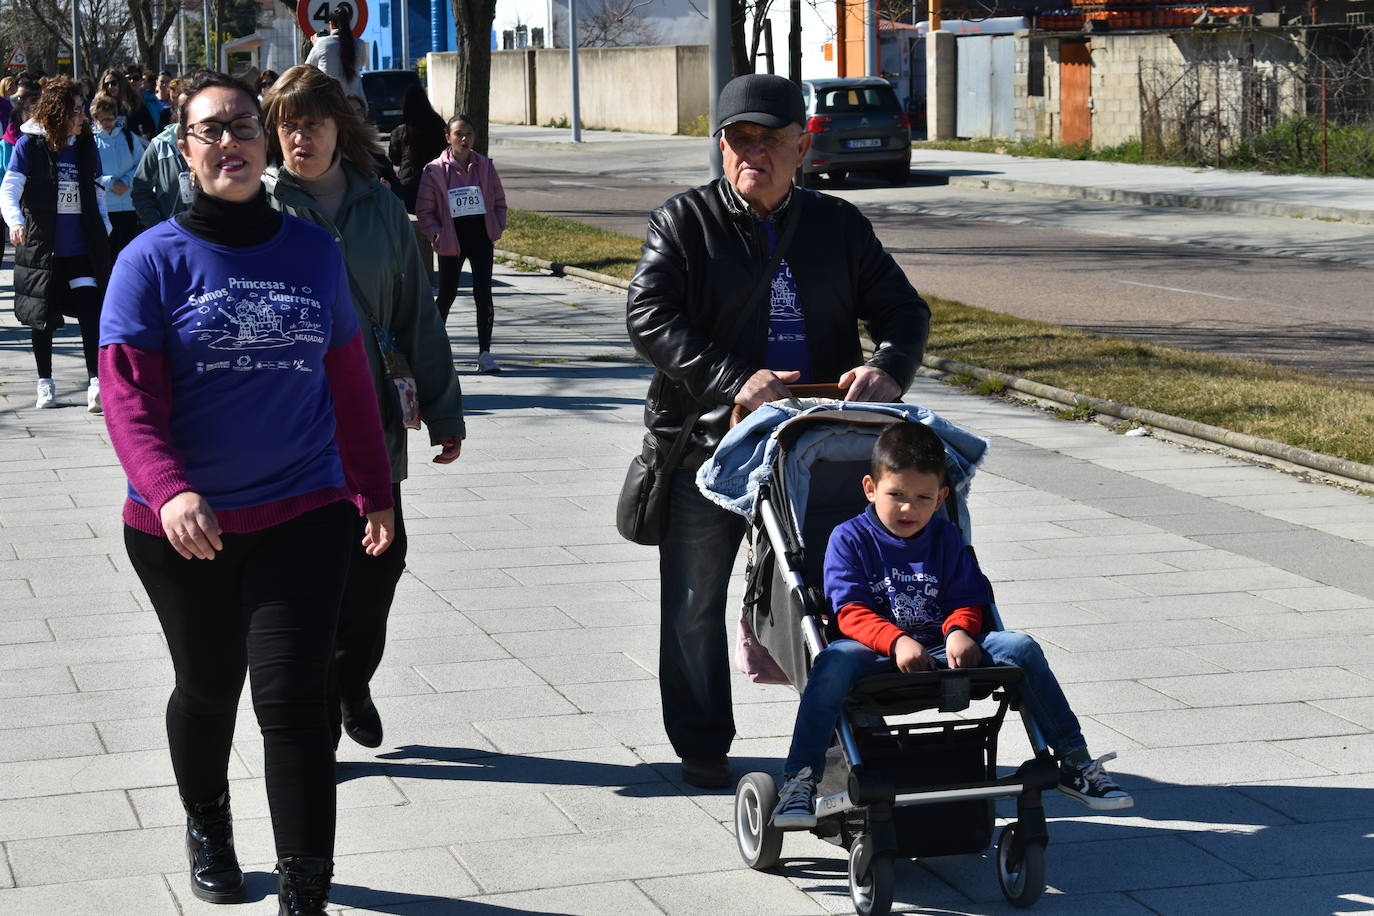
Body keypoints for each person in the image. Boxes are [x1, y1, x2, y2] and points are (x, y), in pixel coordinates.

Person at [98, 71, 394, 915]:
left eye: (242, 128)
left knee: (295, 702)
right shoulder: (150, 260)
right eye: (208, 131)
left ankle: (306, 890)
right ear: (184, 149)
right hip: (184, 527)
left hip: (305, 510)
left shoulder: (312, 252)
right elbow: (127, 398)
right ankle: (208, 822)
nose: (228, 143)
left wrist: (374, 492)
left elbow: (348, 383)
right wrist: (167, 490)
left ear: (265, 144)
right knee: (208, 686)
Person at [625, 73, 931, 789]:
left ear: (802, 146)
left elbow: (904, 312)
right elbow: (649, 316)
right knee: (694, 601)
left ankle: (842, 736)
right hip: (711, 448)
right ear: (721, 145)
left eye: (769, 140)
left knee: (831, 596)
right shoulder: (684, 222)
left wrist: (888, 368)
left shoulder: (838, 226)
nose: (752, 153)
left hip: (814, 448)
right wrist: (736, 380)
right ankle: (702, 743)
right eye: (739, 139)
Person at [769, 422, 1134, 828]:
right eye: (897, 495)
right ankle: (800, 778)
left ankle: (1075, 763)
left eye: (923, 498)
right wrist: (896, 642)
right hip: (872, 650)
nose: (908, 508)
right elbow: (850, 610)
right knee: (831, 661)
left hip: (943, 648)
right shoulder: (849, 538)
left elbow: (965, 597)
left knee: (1021, 647)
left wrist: (959, 629)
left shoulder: (944, 538)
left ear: (941, 497)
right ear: (871, 488)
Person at [261, 65, 465, 750]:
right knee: (311, 569)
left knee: (383, 557)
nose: (299, 137)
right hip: (292, 419)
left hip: (373, 413)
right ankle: (315, 711)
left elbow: (417, 319)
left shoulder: (380, 208)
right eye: (287, 124)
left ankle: (351, 676)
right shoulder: (261, 206)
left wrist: (445, 411)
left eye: (312, 123)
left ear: (338, 129)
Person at [1, 76, 111, 412]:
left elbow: (97, 192)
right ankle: (45, 383)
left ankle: (96, 383)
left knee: (91, 310)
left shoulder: (86, 147)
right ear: (58, 113)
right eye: (77, 111)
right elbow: (9, 189)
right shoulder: (29, 146)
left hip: (81, 249)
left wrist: (104, 228)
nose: (84, 117)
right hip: (42, 249)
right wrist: (16, 222)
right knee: (42, 318)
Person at [415, 114, 507, 374]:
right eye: (458, 134)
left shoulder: (485, 166)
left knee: (483, 294)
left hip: (480, 238)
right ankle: (431, 350)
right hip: (451, 241)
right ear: (448, 138)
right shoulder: (434, 170)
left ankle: (485, 353)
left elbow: (499, 202)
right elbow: (425, 211)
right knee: (447, 295)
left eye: (468, 133)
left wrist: (496, 227)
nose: (464, 139)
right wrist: (437, 236)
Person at [91, 94, 147, 258]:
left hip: (129, 206)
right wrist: (110, 183)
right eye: (103, 120)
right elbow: (89, 170)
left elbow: (141, 164)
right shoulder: (91, 141)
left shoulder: (129, 137)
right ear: (95, 119)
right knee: (108, 255)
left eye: (110, 119)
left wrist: (125, 181)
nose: (108, 123)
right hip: (106, 208)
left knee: (129, 254)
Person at [132, 78, 191, 228]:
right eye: (182, 107)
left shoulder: (211, 144)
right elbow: (140, 190)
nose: (187, 113)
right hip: (171, 234)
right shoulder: (160, 144)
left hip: (206, 236)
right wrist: (156, 225)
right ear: (175, 109)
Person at [387, 85, 446, 214]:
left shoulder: (401, 129)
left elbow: (395, 160)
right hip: (435, 182)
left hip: (409, 186)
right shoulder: (438, 125)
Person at [304, 7, 367, 99]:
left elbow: (308, 67)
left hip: (330, 100)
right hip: (355, 100)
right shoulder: (360, 44)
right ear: (349, 22)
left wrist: (316, 45)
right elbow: (361, 64)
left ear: (331, 24)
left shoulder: (322, 44)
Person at [345, 92, 399, 191]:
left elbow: (394, 183)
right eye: (350, 111)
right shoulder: (335, 148)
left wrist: (388, 187)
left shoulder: (372, 148)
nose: (356, 115)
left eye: (359, 110)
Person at [98, 69, 156, 140]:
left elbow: (150, 129)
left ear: (120, 83)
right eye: (107, 84)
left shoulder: (135, 103)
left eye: (113, 83)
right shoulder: (101, 107)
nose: (110, 87)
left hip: (132, 146)